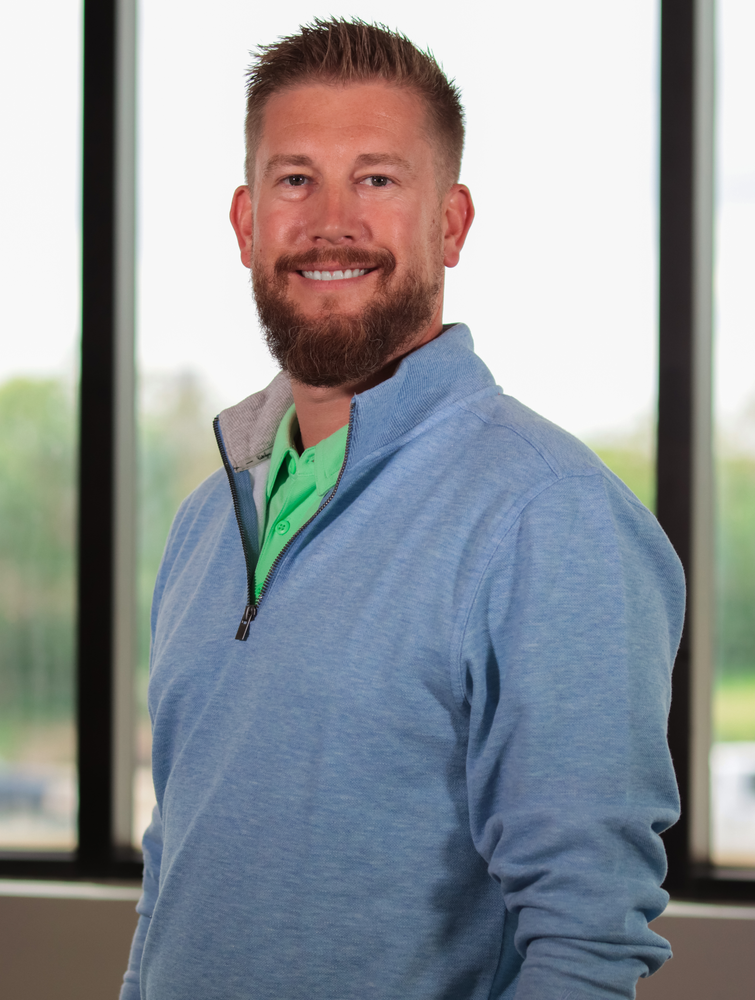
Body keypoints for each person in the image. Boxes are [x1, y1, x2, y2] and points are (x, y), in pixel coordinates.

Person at [121, 18, 684, 1000]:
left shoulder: (548, 515)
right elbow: (177, 862)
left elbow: (583, 945)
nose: (331, 219)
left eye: (376, 178)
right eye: (295, 179)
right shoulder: (206, 521)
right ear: (246, 222)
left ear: (451, 223)